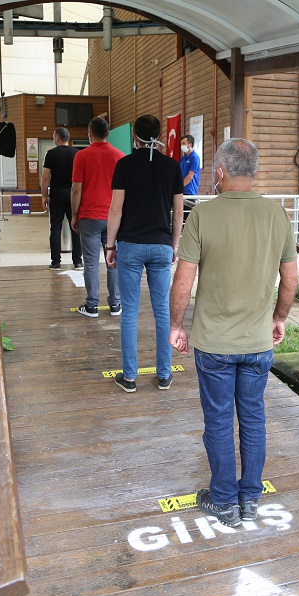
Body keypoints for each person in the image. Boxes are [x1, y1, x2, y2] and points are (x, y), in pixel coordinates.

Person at [169, 138, 298, 527]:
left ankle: (224, 501)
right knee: (254, 419)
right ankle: (250, 498)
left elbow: (183, 281)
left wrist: (176, 325)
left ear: (219, 173)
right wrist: (279, 317)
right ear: (253, 172)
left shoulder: (203, 215)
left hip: (214, 344)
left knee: (219, 421)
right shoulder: (277, 215)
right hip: (258, 342)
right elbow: (291, 278)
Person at [106, 115, 184, 393]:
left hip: (130, 245)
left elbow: (116, 210)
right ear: (159, 136)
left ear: (134, 137)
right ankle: (164, 375)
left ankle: (129, 377)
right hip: (161, 245)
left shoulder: (124, 165)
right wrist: (174, 246)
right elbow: (178, 213)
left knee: (129, 312)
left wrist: (110, 245)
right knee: (162, 311)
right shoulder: (172, 167)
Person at [71, 117, 124, 318]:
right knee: (113, 261)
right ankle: (116, 304)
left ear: (89, 133)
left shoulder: (81, 156)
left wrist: (74, 214)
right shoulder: (120, 156)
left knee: (91, 263)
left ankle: (92, 305)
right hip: (113, 217)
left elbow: (76, 189)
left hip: (89, 217)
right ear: (108, 133)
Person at [42, 127, 82, 270]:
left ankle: (56, 262)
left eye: (54, 137)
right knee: (75, 227)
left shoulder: (51, 154)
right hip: (73, 195)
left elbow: (46, 177)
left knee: (55, 228)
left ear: (57, 138)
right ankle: (77, 261)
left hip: (57, 195)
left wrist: (44, 196)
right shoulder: (77, 153)